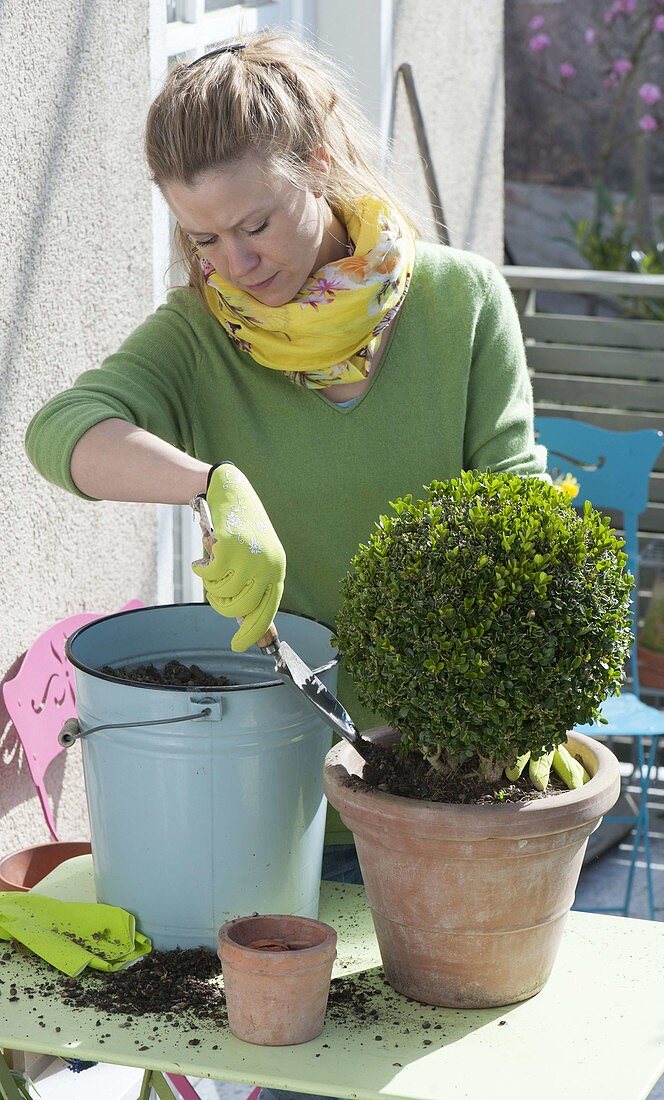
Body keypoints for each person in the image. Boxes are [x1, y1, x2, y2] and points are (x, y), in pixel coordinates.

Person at [26, 29, 546, 1097]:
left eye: (252, 221)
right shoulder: (201, 335)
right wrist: (210, 479)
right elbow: (61, 430)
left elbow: (521, 506)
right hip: (276, 795)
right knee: (281, 1062)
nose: (233, 260)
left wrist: (515, 710)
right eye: (200, 235)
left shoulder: (459, 302)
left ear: (316, 162)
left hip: (442, 787)